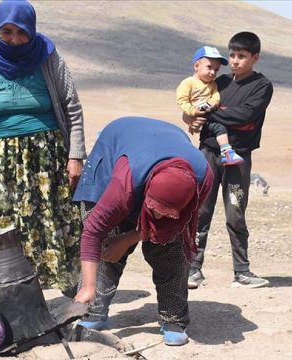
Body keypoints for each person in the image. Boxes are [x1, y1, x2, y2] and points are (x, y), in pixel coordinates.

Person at [0, 0, 86, 294]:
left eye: (22, 32)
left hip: (47, 158)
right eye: (7, 31)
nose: (15, 39)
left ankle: (70, 295)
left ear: (33, 30)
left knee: (54, 223)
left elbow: (72, 108)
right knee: (2, 225)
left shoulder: (48, 56)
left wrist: (76, 155)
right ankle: (6, 294)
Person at [73, 117, 213, 346]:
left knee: (171, 251)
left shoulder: (202, 179)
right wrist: (88, 286)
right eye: (154, 210)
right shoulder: (125, 183)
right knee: (106, 244)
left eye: (166, 213)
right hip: (118, 149)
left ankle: (174, 318)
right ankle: (93, 310)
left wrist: (129, 239)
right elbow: (92, 231)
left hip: (159, 146)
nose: (158, 217)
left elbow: (169, 223)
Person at [183, 32, 273, 289]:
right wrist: (191, 117)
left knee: (235, 212)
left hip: (238, 158)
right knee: (200, 211)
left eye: (242, 56)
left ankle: (242, 272)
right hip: (208, 154)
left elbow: (245, 116)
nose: (234, 61)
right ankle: (192, 269)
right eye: (232, 55)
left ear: (255, 58)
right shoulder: (219, 82)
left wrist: (212, 114)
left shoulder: (261, 86)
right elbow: (194, 106)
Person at [176, 46, 244, 166]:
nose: (213, 72)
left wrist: (212, 104)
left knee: (219, 127)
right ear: (196, 66)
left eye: (216, 70)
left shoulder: (212, 84)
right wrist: (192, 112)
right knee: (220, 128)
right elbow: (182, 100)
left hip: (208, 115)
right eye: (209, 67)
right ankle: (227, 152)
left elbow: (216, 96)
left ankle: (226, 153)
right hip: (197, 115)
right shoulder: (188, 83)